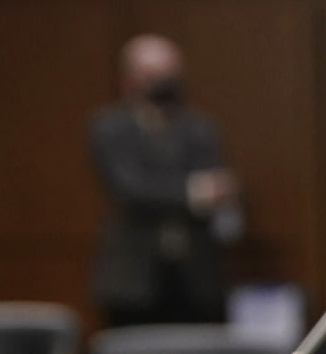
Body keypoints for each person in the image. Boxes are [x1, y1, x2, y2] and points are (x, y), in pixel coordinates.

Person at [88, 35, 242, 328]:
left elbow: (214, 186)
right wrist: (195, 192)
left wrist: (220, 193)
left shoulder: (200, 128)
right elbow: (130, 189)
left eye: (168, 74)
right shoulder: (109, 128)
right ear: (130, 77)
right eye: (152, 74)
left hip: (194, 277)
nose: (162, 82)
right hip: (132, 278)